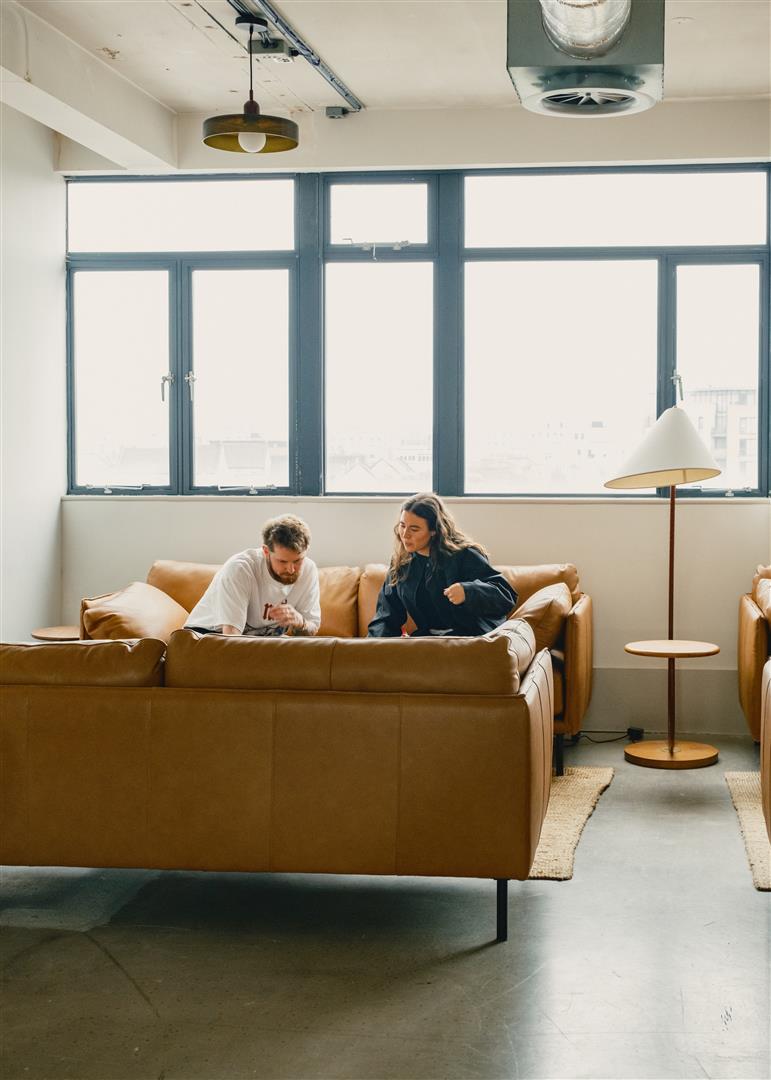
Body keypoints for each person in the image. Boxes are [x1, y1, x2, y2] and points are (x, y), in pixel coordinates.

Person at [367, 493, 517, 638]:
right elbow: (386, 617)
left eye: (414, 529)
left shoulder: (465, 555)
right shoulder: (401, 562)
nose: (405, 534)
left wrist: (468, 591)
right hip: (430, 642)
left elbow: (506, 596)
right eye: (402, 525)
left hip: (471, 639)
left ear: (433, 530)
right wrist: (372, 648)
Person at [185, 515, 320, 637]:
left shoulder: (308, 570)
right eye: (282, 562)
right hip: (205, 638)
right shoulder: (240, 569)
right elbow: (231, 638)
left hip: (253, 641)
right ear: (266, 551)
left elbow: (311, 629)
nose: (291, 569)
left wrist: (301, 623)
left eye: (297, 561)